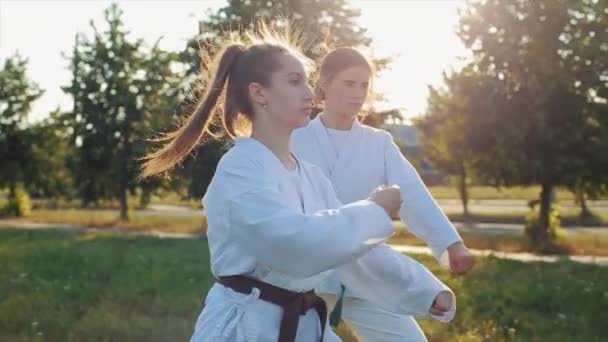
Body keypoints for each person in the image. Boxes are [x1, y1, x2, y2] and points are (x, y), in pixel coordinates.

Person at [140, 28, 455, 342]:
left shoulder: (310, 176)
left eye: (306, 80)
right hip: (246, 329)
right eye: (294, 81)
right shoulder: (240, 169)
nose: (309, 92)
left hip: (304, 326)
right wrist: (373, 210)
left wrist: (425, 290)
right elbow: (292, 244)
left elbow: (349, 252)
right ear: (259, 93)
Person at [291, 47, 475, 341]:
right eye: (348, 84)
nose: (358, 93)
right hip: (307, 275)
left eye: (364, 85)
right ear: (324, 83)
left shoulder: (379, 143)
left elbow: (411, 193)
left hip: (367, 272)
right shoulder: (294, 138)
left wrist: (451, 244)